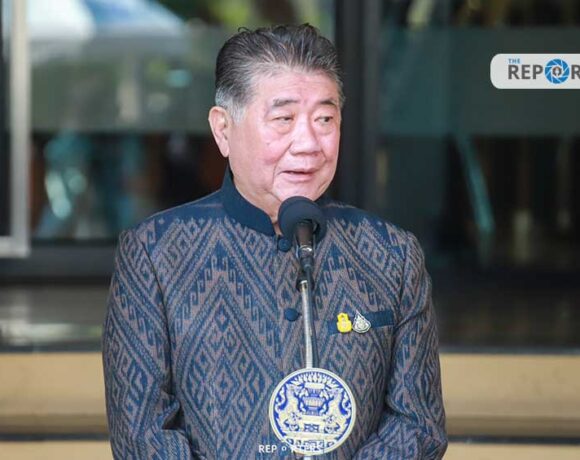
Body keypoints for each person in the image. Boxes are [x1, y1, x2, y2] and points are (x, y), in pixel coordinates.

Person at [102, 24, 447, 459]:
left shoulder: (391, 254)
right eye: (284, 119)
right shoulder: (155, 253)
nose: (308, 144)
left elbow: (417, 426)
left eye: (324, 120)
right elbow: (143, 435)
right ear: (223, 130)